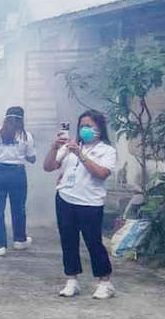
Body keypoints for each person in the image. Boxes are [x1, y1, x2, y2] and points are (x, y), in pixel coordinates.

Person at [43, 110, 118, 299]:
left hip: (90, 202)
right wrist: (54, 147)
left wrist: (81, 155)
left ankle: (104, 282)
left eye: (89, 126)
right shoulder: (70, 146)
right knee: (68, 240)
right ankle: (71, 279)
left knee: (93, 242)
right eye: (82, 126)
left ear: (99, 129)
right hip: (65, 198)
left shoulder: (107, 150)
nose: (85, 129)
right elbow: (49, 166)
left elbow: (101, 173)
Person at [0, 105, 36, 256]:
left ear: (5, 118)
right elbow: (32, 159)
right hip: (17, 174)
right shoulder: (26, 136)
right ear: (22, 120)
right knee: (18, 208)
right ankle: (19, 240)